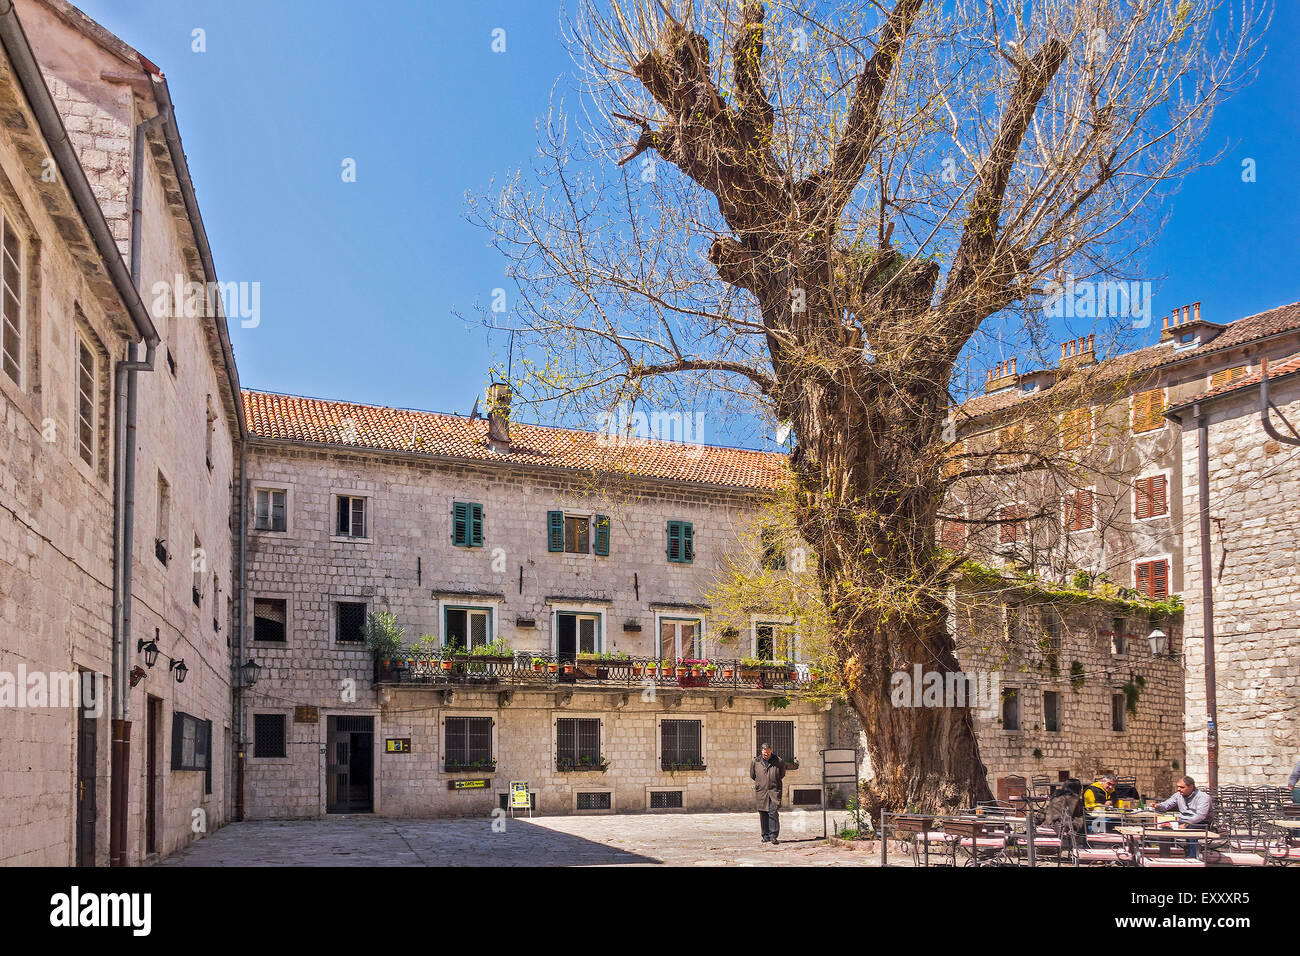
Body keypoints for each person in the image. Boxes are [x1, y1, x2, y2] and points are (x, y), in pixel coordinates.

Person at [1155, 775, 1214, 859]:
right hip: (1183, 820)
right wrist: (1158, 806)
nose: (1179, 789)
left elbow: (1200, 816)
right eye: (1178, 787)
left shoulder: (1203, 797)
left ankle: (1192, 856)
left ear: (1191, 787)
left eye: (1182, 787)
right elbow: (1167, 805)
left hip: (1201, 822)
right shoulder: (1178, 795)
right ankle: (1169, 853)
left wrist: (1186, 824)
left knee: (1191, 828)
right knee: (1165, 826)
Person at [750, 742, 786, 845]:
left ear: (771, 751)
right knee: (763, 813)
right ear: (761, 751)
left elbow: (782, 774)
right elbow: (752, 775)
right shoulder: (755, 761)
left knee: (773, 812)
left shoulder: (778, 761)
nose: (767, 754)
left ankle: (773, 836)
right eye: (765, 753)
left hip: (774, 791)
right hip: (761, 791)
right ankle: (765, 835)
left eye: (768, 753)